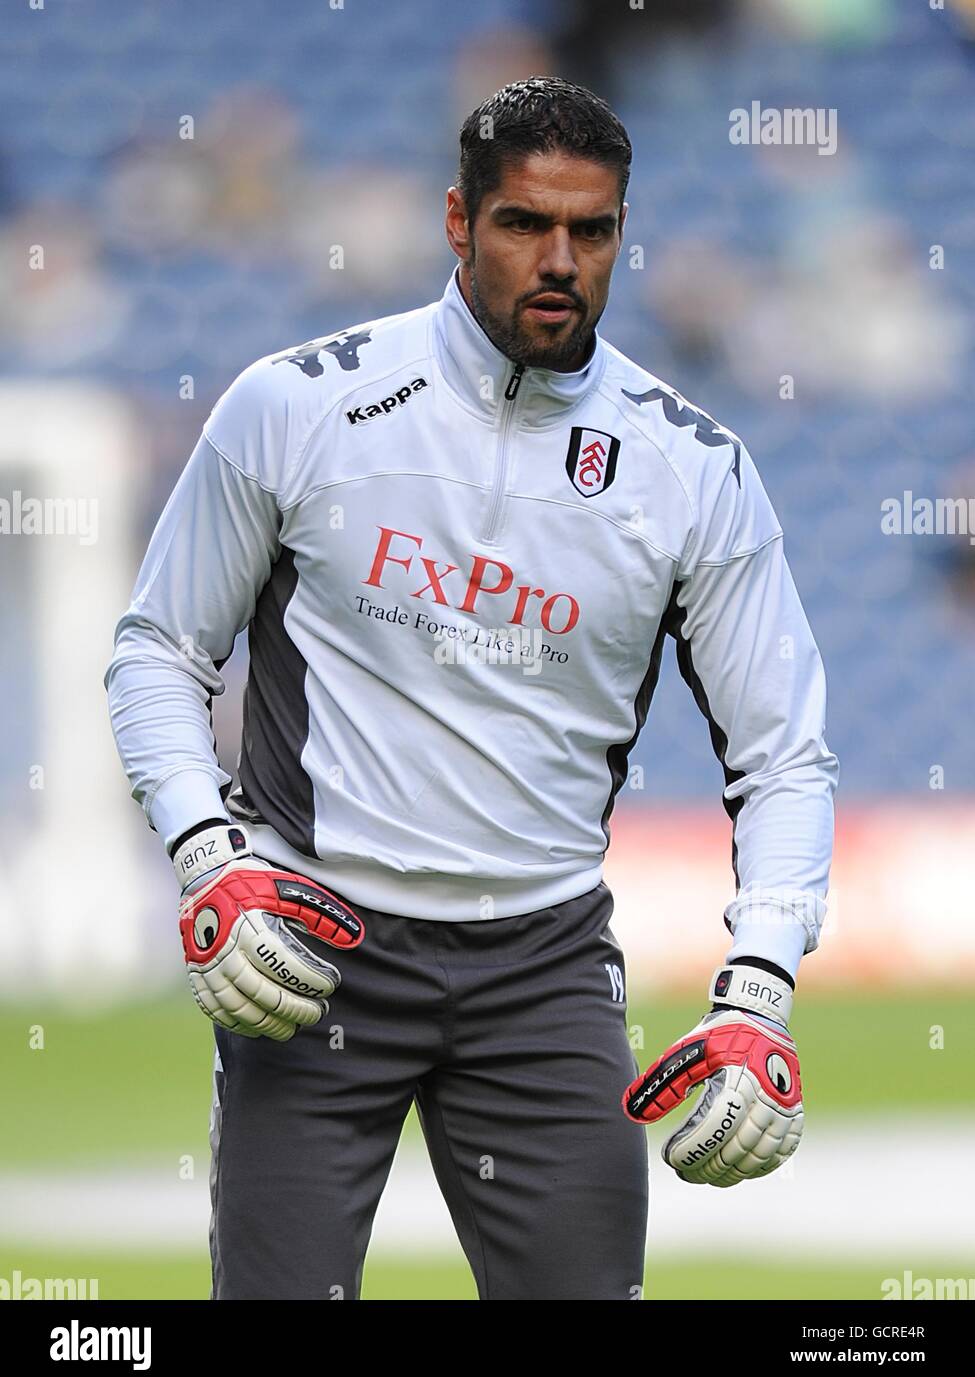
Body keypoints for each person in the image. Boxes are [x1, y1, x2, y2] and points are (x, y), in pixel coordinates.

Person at [104, 76, 838, 1301]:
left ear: (621, 234)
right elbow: (157, 651)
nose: (558, 261)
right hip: (315, 949)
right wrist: (205, 854)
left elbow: (784, 757)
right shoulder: (297, 405)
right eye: (522, 225)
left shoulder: (695, 472)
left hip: (542, 973)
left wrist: (758, 990)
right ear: (459, 221)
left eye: (592, 232)